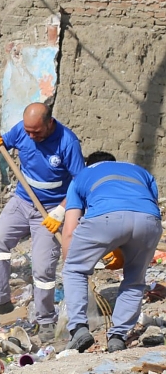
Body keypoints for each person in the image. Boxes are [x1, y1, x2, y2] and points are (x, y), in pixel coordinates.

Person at [0, 102, 85, 343]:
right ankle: (0, 300)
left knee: (43, 268)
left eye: (37, 132)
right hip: (22, 200)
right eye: (28, 131)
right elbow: (2, 147)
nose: (31, 136)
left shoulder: (68, 142)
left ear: (50, 123)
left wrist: (62, 211)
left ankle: (45, 319)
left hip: (50, 210)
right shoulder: (22, 130)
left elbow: (80, 182)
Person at [63, 151, 161, 353]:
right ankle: (118, 337)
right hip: (149, 220)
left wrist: (71, 263)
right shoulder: (140, 171)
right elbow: (140, 208)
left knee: (74, 270)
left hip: (105, 218)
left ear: (88, 164)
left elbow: (70, 231)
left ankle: (79, 329)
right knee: (135, 279)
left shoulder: (82, 175)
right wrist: (121, 244)